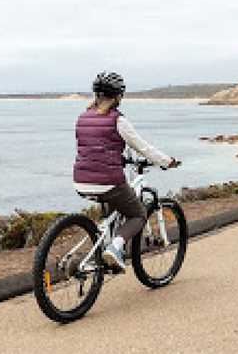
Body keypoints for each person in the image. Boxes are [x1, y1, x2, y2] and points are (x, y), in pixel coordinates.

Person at [73, 71, 180, 272]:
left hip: (80, 180)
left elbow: (92, 148)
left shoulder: (82, 118)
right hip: (107, 181)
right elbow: (144, 148)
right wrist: (167, 161)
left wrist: (118, 157)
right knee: (138, 214)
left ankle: (107, 250)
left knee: (115, 208)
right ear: (118, 96)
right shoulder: (117, 120)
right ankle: (115, 247)